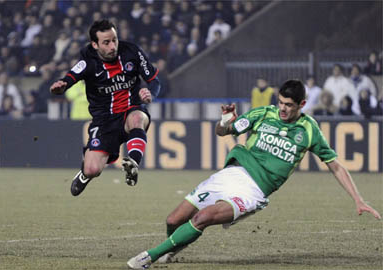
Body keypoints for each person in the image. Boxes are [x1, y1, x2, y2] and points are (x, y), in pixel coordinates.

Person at [127, 79, 381, 269]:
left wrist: (358, 199)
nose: (282, 109)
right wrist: (226, 121)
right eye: (280, 102)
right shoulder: (264, 114)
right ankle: (171, 248)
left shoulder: (310, 129)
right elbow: (222, 132)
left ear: (302, 105)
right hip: (231, 174)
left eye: (289, 105)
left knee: (203, 217)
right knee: (173, 220)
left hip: (253, 191)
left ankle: (150, 256)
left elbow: (335, 165)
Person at [49, 19, 160, 196]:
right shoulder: (88, 60)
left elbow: (154, 80)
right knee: (93, 169)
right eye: (106, 42)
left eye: (114, 40)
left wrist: (150, 93)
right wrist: (63, 86)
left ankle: (133, 162)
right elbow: (71, 76)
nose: (112, 46)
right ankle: (85, 175)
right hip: (104, 121)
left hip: (130, 110)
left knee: (137, 118)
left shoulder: (132, 51)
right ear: (95, 44)